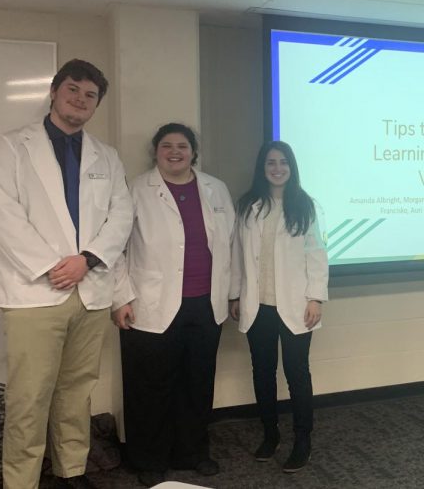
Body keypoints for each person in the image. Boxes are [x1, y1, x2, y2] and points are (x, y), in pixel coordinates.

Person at [0, 59, 133, 489]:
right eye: (72, 90)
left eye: (90, 95)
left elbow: (122, 215)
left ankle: (72, 470)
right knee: (29, 399)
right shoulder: (12, 146)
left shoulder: (107, 155)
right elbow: (0, 213)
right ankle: (21, 481)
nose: (80, 100)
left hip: (90, 290)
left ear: (96, 104)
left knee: (76, 392)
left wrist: (88, 258)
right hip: (35, 293)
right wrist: (52, 265)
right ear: (53, 91)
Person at [111, 123, 235, 486]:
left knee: (197, 383)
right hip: (149, 305)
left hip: (204, 303)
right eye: (167, 146)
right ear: (156, 152)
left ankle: (193, 452)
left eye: (183, 145)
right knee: (150, 386)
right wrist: (121, 297)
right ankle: (149, 458)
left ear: (194, 151)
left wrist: (234, 293)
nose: (175, 151)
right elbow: (115, 248)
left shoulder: (216, 188)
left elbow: (231, 246)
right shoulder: (136, 189)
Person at [230, 141, 328, 473]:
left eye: (283, 162)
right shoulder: (247, 205)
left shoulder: (304, 205)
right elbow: (236, 256)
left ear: (291, 167)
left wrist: (315, 297)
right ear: (262, 167)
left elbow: (316, 254)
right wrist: (234, 295)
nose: (277, 168)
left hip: (297, 306)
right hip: (258, 306)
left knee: (298, 374)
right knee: (263, 372)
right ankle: (270, 435)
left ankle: (303, 440)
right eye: (271, 162)